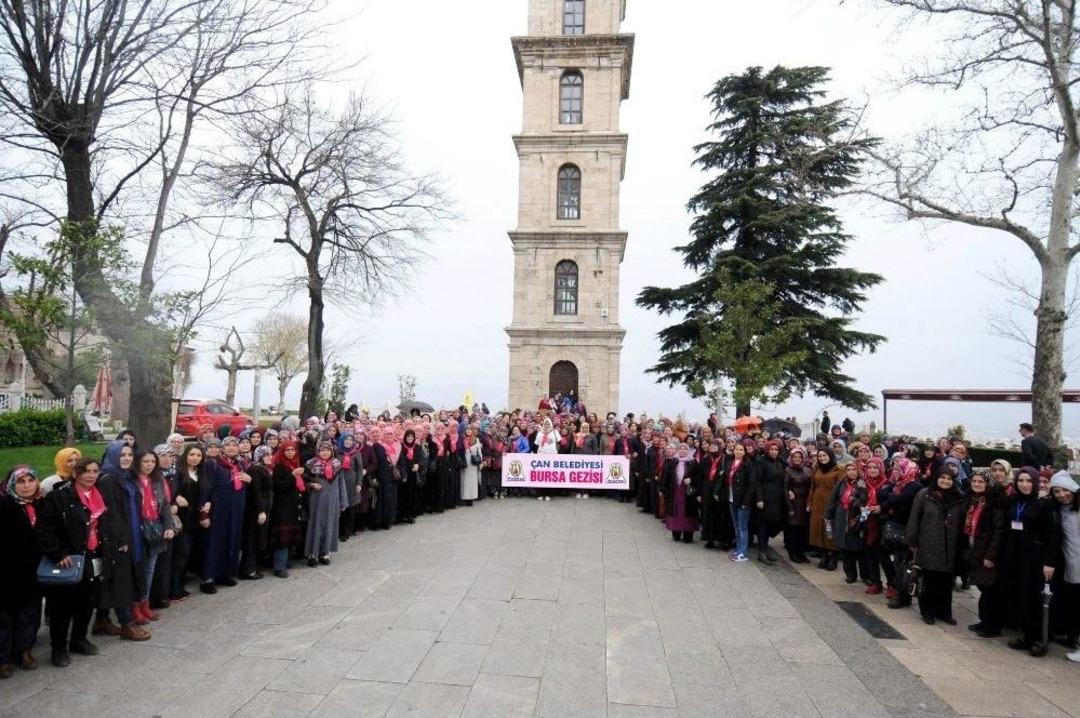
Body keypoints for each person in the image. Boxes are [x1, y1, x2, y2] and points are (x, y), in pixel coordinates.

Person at [94, 442, 152, 640]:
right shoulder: (108, 480)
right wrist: (120, 539)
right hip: (118, 538)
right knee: (121, 579)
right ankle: (127, 624)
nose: (127, 458)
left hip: (132, 532)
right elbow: (111, 513)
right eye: (122, 455)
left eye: (129, 455)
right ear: (112, 457)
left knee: (118, 578)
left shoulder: (126, 478)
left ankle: (101, 620)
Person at [1004, 466, 1055, 656]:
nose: (1025, 485)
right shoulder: (1015, 500)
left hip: (1035, 557)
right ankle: (1025, 633)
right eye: (1021, 481)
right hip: (1016, 554)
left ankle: (1037, 638)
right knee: (1021, 595)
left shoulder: (1043, 504)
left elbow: (1052, 535)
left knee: (1034, 598)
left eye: (1029, 481)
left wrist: (1049, 561)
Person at [906, 465, 965, 626]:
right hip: (928, 544)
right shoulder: (924, 495)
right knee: (929, 580)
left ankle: (944, 612)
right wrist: (912, 541)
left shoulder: (958, 497)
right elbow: (914, 519)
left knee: (946, 582)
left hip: (950, 546)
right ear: (936, 478)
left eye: (949, 479)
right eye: (942, 477)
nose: (945, 481)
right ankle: (927, 611)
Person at [0, 466, 43, 676]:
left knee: (29, 612)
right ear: (11, 485)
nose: (26, 486)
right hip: (7, 569)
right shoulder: (4, 505)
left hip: (34, 568)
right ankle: (3, 658)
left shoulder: (41, 503)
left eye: (30, 480)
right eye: (20, 482)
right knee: (5, 615)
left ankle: (25, 650)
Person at [199, 436, 250, 593]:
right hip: (219, 509)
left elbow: (243, 484)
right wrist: (204, 513)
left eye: (234, 445)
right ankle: (209, 578)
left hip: (236, 508)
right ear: (222, 448)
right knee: (216, 543)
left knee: (232, 540)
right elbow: (205, 488)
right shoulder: (214, 464)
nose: (232, 448)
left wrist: (249, 479)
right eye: (228, 445)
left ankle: (226, 574)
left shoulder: (240, 464)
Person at [962, 469, 1008, 638]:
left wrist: (991, 555)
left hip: (988, 551)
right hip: (976, 547)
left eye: (981, 482)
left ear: (987, 483)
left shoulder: (994, 501)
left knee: (990, 590)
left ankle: (993, 625)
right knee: (984, 587)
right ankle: (984, 621)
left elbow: (998, 530)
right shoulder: (974, 499)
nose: (976, 484)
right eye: (974, 481)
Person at [132, 450, 176, 622]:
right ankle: (134, 606)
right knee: (138, 570)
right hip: (138, 529)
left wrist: (168, 526)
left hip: (155, 528)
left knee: (150, 569)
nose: (149, 464)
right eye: (145, 461)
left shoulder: (158, 480)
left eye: (152, 461)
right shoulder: (132, 481)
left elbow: (165, 505)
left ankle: (145, 603)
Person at [1044, 471, 1080, 662]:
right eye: (1056, 491)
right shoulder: (1060, 511)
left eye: (1064, 490)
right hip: (1072, 564)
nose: (1061, 495)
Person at [169, 444, 204, 602]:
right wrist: (176, 498)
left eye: (198, 455)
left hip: (195, 519)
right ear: (186, 456)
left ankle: (179, 585)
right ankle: (174, 589)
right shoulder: (179, 472)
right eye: (192, 455)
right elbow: (171, 491)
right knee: (180, 555)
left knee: (187, 554)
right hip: (182, 520)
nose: (195, 458)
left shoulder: (199, 472)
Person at [304, 441, 347, 566]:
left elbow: (341, 484)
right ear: (318, 451)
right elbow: (303, 482)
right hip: (316, 500)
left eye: (327, 450)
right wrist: (311, 484)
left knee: (330, 524)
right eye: (322, 450)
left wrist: (343, 501)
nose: (325, 452)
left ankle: (325, 552)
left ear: (331, 451)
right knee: (315, 524)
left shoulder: (337, 464)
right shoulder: (310, 464)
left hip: (333, 500)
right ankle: (313, 553)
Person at [827, 461, 872, 584]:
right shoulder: (842, 482)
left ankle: (865, 575)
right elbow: (833, 497)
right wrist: (829, 514)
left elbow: (864, 500)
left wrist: (854, 500)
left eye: (854, 469)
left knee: (858, 547)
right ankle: (850, 574)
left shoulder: (862, 483)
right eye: (849, 470)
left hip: (856, 517)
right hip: (842, 515)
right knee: (844, 547)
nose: (851, 472)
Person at [269, 441, 305, 578]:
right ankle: (279, 566)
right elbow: (279, 486)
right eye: (287, 450)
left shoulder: (295, 464)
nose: (290, 452)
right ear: (282, 452)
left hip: (293, 506)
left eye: (293, 450)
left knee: (290, 536)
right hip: (283, 507)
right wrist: (293, 475)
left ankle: (286, 561)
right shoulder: (279, 466)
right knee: (282, 539)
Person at [239, 445, 273, 580]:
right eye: (267, 455)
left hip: (264, 506)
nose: (270, 457)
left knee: (257, 538)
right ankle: (248, 569)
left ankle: (250, 567)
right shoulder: (255, 470)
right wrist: (261, 511)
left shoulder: (263, 469)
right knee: (252, 540)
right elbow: (255, 491)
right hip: (257, 509)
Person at [751, 440, 786, 565]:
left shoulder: (779, 462)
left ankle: (766, 549)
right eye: (772, 449)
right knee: (763, 525)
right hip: (765, 497)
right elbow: (757, 481)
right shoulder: (761, 462)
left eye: (776, 450)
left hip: (776, 498)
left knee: (770, 524)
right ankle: (762, 551)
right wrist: (759, 499)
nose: (774, 452)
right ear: (767, 450)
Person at [809, 448, 841, 571]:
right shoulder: (817, 469)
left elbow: (840, 489)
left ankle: (833, 556)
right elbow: (812, 486)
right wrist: (809, 501)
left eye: (824, 455)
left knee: (830, 530)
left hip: (830, 503)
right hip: (817, 503)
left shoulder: (838, 470)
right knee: (819, 529)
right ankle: (824, 555)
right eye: (820, 456)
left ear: (830, 456)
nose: (822, 458)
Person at [662, 443, 699, 543]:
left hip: (688, 493)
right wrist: (663, 488)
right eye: (680, 448)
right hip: (675, 491)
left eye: (685, 449)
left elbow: (699, 477)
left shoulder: (693, 462)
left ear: (688, 451)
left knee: (687, 512)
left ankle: (688, 535)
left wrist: (692, 480)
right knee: (676, 512)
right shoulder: (674, 461)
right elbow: (667, 475)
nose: (683, 450)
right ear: (678, 450)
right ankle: (676, 533)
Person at [726, 442, 755, 563]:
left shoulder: (748, 465)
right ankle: (738, 549)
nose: (738, 451)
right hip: (732, 499)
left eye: (741, 450)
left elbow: (751, 485)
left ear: (744, 452)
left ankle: (743, 552)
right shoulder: (730, 463)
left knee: (742, 527)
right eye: (737, 449)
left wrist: (746, 501)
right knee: (736, 526)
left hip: (742, 501)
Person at [784, 447, 812, 564]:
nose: (797, 459)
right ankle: (793, 552)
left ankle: (801, 553)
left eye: (799, 457)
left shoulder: (807, 470)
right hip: (794, 503)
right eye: (794, 457)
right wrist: (790, 507)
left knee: (803, 530)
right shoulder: (788, 470)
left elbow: (811, 486)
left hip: (805, 503)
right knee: (793, 530)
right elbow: (785, 488)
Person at [699, 439, 726, 549]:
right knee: (707, 515)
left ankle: (720, 539)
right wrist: (699, 493)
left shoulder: (724, 459)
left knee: (719, 516)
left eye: (715, 446)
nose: (713, 448)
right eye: (712, 446)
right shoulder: (705, 460)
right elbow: (700, 478)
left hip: (718, 492)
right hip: (706, 491)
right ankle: (709, 539)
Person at [397, 429, 422, 522]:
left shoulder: (417, 447)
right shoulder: (401, 446)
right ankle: (401, 515)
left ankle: (410, 514)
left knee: (411, 494)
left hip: (413, 473)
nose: (410, 438)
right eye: (408, 436)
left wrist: (418, 465)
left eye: (412, 436)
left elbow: (421, 459)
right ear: (405, 437)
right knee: (402, 494)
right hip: (403, 473)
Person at [461, 428, 482, 506]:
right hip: (464, 462)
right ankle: (464, 497)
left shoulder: (476, 440)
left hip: (473, 463)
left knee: (472, 482)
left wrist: (480, 462)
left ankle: (471, 499)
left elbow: (479, 452)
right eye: (467, 430)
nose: (469, 431)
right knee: (464, 481)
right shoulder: (462, 439)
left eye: (470, 430)